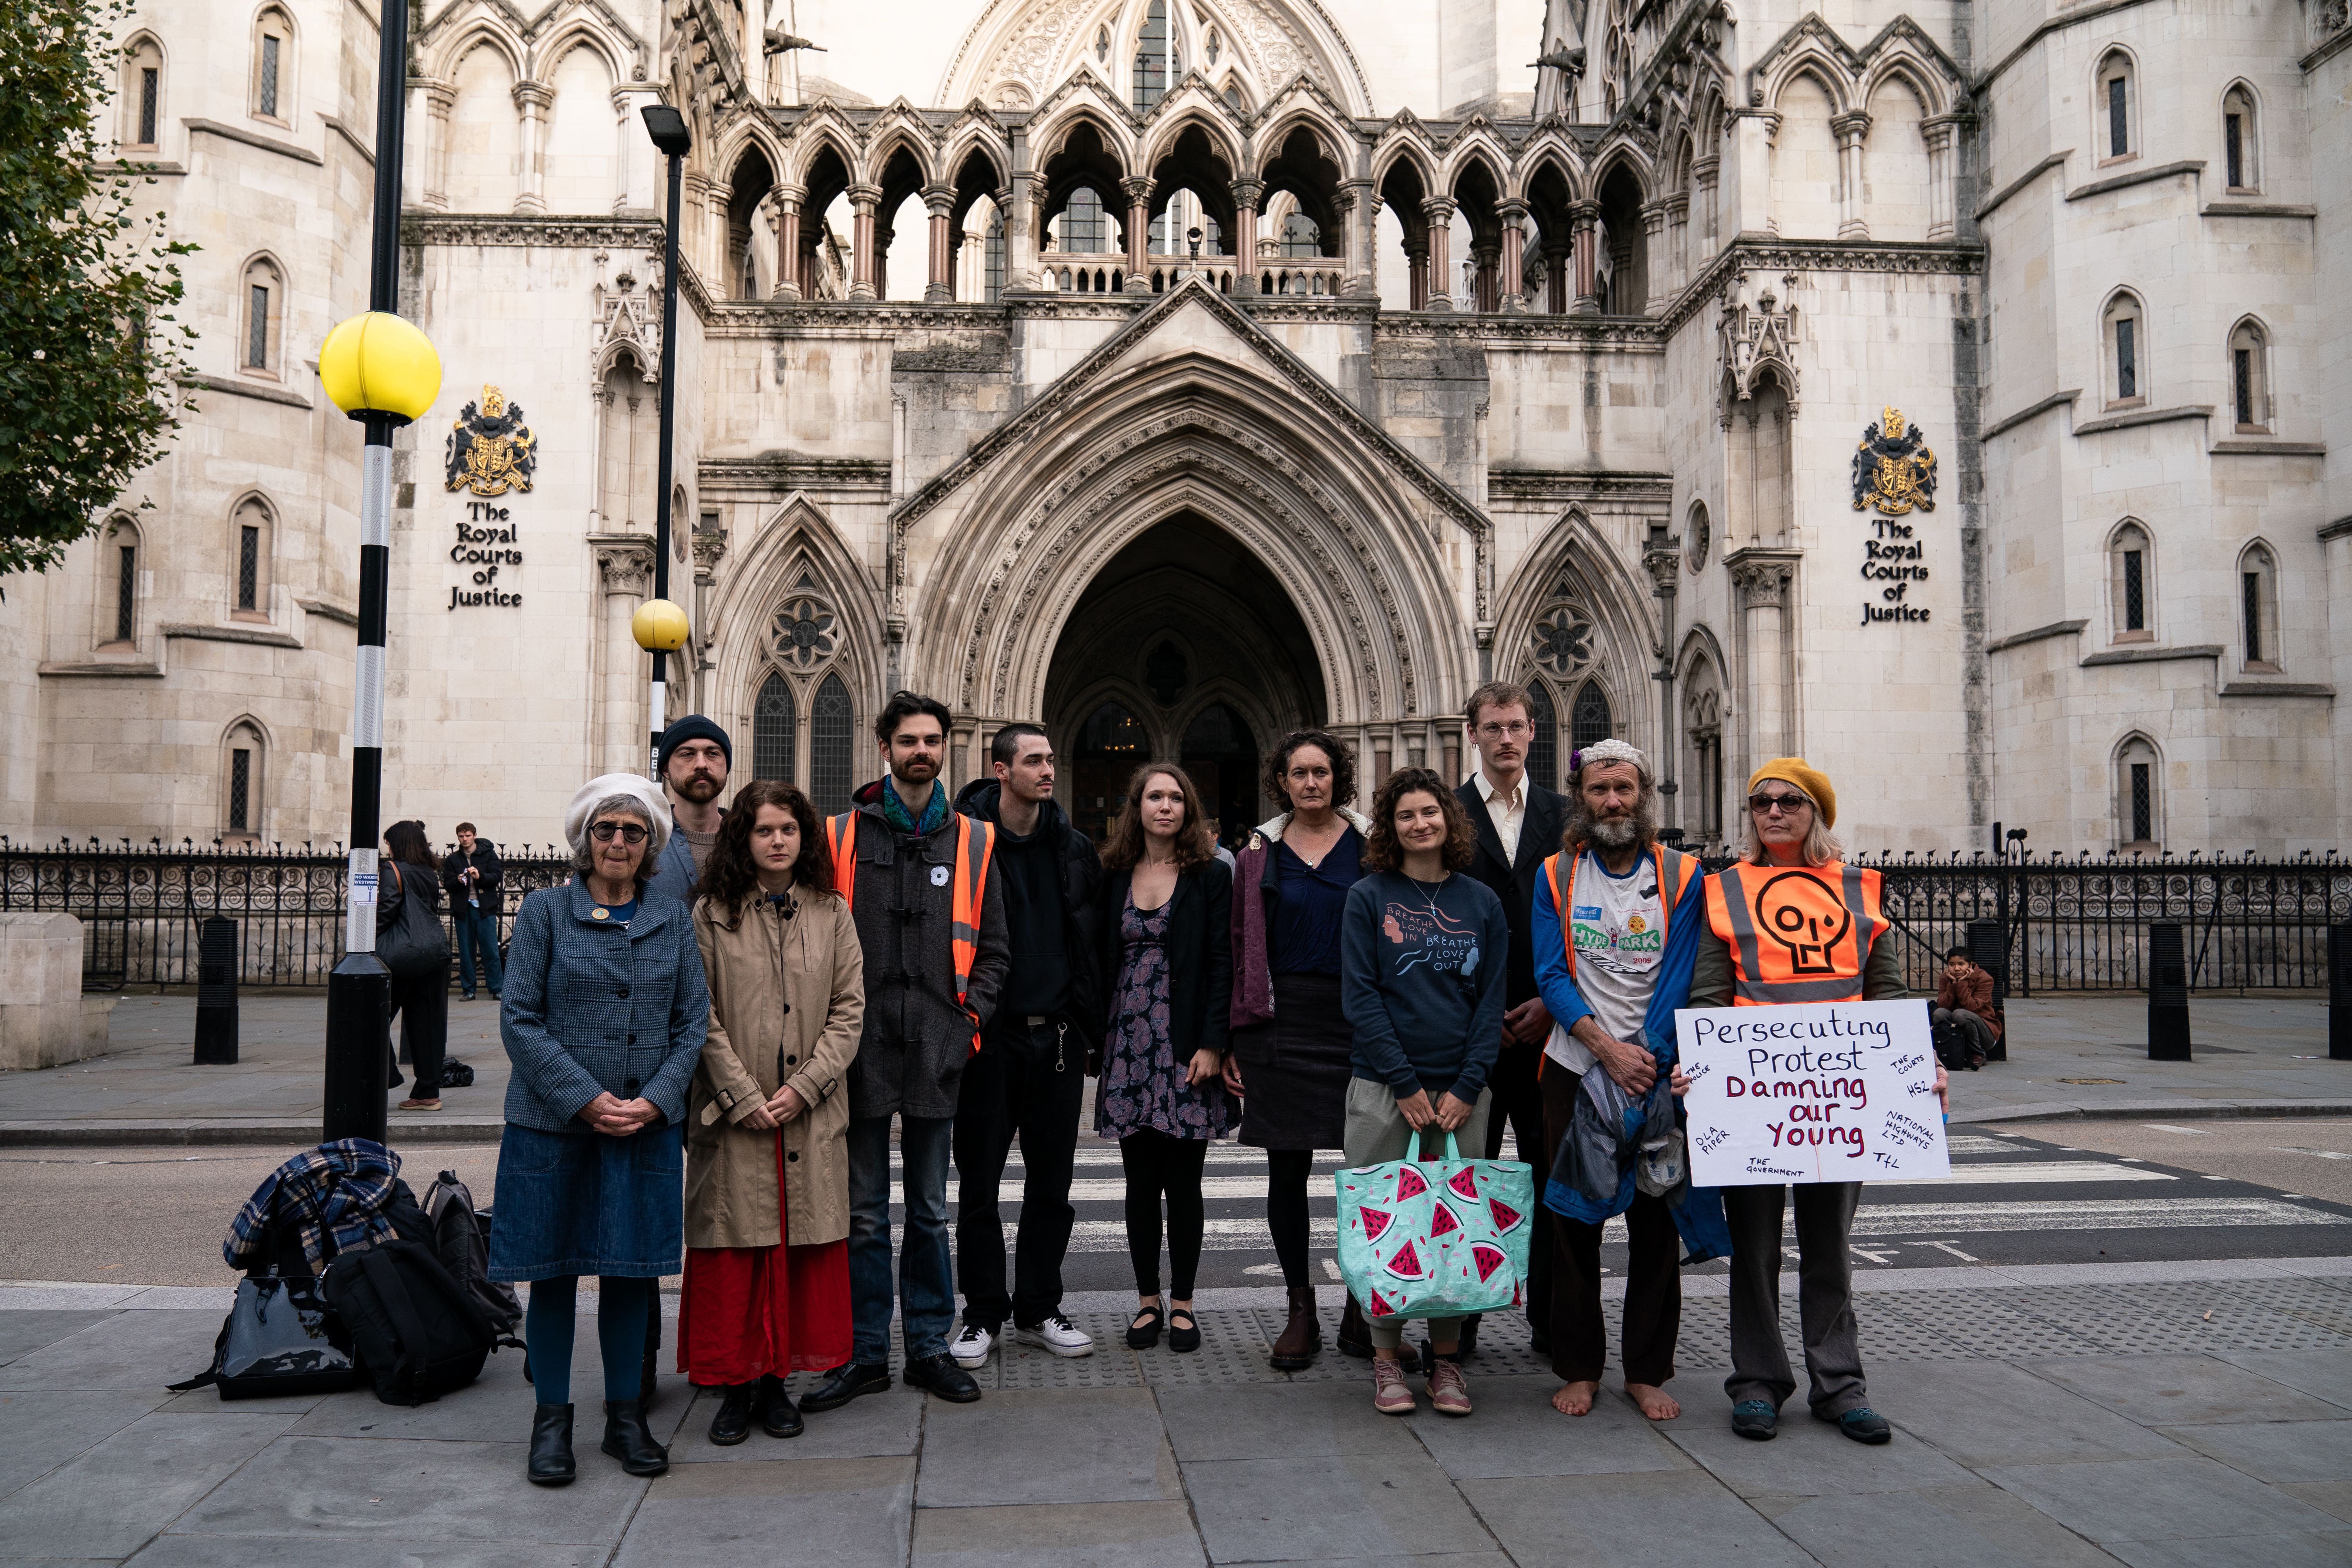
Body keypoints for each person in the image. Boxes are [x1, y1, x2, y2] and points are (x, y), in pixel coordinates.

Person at [1681, 757, 1945, 1445]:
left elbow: (1885, 991)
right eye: (1762, 802)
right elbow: (1711, 993)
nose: (1773, 812)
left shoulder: (1858, 890)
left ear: (1815, 813)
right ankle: (1759, 1384)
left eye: (1789, 802)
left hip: (1840, 1098)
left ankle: (1840, 1384)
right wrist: (1699, 1067)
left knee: (1830, 1246)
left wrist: (1923, 1064)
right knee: (1756, 1249)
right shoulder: (1727, 890)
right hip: (1753, 1099)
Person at [489, 774, 710, 1486]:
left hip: (644, 1126)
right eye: (607, 830)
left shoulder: (674, 920)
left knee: (628, 1273)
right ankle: (551, 1422)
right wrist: (586, 1099)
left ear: (650, 847)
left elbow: (692, 1022)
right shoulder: (546, 912)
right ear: (585, 841)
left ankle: (625, 1420)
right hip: (552, 1126)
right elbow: (519, 1017)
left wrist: (655, 1101)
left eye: (633, 831)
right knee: (551, 1276)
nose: (618, 842)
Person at [804, 692, 1009, 1412]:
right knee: (862, 1213)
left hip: (937, 1048)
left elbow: (994, 950)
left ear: (945, 749)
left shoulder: (976, 841)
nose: (921, 751)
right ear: (884, 747)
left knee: (927, 1210)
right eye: (908, 740)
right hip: (856, 1051)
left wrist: (969, 1022)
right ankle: (863, 1353)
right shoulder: (837, 836)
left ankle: (927, 1346)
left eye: (932, 741)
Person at [684, 780, 864, 1444]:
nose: (779, 841)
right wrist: (741, 1094)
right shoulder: (711, 914)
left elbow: (849, 1011)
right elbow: (695, 1013)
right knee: (737, 1250)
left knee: (795, 1251)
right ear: (745, 838)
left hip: (809, 1116)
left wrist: (807, 1087)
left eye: (789, 829)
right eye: (765, 830)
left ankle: (775, 1384)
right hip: (733, 1119)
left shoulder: (832, 912)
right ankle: (734, 1388)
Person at [1529, 739, 1703, 1421]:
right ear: (1582, 799)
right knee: (1573, 1221)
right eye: (1600, 790)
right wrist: (1604, 1048)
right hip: (1575, 1069)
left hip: (1656, 1073)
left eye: (1624, 789)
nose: (1612, 802)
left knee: (1656, 1219)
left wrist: (1646, 1056)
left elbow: (1685, 974)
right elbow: (1551, 974)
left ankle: (1646, 1369)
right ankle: (1578, 1366)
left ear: (1644, 797)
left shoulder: (1683, 876)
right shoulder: (1556, 875)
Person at [1339, 767, 1509, 1416]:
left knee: (1454, 1230)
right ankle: (1385, 1360)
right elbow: (1361, 996)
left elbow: (1490, 1001)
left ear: (1449, 820)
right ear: (1391, 826)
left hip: (1462, 1093)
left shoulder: (1481, 903)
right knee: (1387, 1228)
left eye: (1430, 812)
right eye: (1406, 815)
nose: (1420, 824)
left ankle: (1446, 1365)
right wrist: (1405, 1084)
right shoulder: (1368, 897)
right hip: (1385, 1087)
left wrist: (1468, 1085)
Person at [948, 724, 1105, 1367]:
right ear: (1000, 769)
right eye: (1034, 760)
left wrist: (1088, 1020)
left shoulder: (1073, 849)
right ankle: (982, 1313)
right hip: (988, 1041)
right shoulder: (963, 845)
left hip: (1059, 1040)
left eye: (1049, 758)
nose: (1047, 769)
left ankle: (1040, 1305)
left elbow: (1092, 942)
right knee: (978, 1185)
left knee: (1052, 1184)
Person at [1226, 729, 1372, 1370]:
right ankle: (1300, 1308)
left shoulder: (1373, 845)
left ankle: (1365, 1310)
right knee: (1287, 1171)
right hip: (1279, 1022)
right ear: (1282, 783)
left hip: (1358, 1021)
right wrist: (1231, 1034)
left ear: (1338, 777)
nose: (1311, 783)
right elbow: (1235, 945)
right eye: (1299, 774)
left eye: (1321, 772)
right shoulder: (1259, 851)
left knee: (1366, 1171)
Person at [1095, 764, 1234, 1354]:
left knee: (1184, 1183)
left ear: (1189, 809)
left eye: (1178, 797)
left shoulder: (1209, 876)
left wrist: (1212, 1042)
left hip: (1184, 1045)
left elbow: (1222, 962)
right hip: (1129, 1042)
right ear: (1137, 805)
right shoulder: (1113, 874)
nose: (1166, 806)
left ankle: (1184, 1305)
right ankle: (1146, 1302)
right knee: (1138, 1183)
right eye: (1155, 796)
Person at [1452, 681, 1566, 1355]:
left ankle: (1550, 1319)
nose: (1506, 739)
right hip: (1474, 1034)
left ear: (1531, 733)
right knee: (1468, 1183)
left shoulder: (1562, 812)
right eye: (1493, 727)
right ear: (1473, 734)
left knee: (1551, 1180)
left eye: (1517, 726)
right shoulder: (1449, 812)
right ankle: (1458, 1324)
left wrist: (1556, 1003)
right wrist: (1476, 1012)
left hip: (1551, 1029)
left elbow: (1586, 917)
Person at [382, 820, 449, 1112]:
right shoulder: (429, 873)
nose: (387, 849)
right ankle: (427, 1092)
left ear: (398, 844)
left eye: (389, 844)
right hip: (432, 955)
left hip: (400, 956)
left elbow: (386, 910)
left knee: (368, 1016)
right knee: (428, 1025)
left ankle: (386, 1075)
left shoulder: (391, 870)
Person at [646, 715, 731, 905]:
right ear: (666, 769)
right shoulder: (643, 841)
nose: (702, 764)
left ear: (727, 767)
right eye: (688, 754)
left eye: (712, 754)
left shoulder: (747, 840)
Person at [442, 822, 505, 1001]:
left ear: (475, 836)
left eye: (468, 836)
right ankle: (469, 990)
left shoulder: (488, 854)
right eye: (462, 837)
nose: (465, 839)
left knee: (491, 950)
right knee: (466, 951)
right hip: (463, 909)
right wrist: (458, 880)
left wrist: (480, 877)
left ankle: (497, 989)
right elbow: (448, 884)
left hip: (485, 909)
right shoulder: (453, 859)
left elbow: (497, 876)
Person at [1933, 947, 1998, 1069]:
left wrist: (1961, 983)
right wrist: (1953, 984)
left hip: (1984, 1033)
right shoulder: (1945, 977)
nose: (1956, 969)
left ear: (1970, 965)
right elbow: (1943, 1005)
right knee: (1939, 1013)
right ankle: (1944, 1050)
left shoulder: (1984, 979)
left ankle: (1978, 1054)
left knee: (1960, 1014)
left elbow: (1972, 1007)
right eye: (1952, 965)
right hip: (1958, 1030)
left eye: (1961, 964)